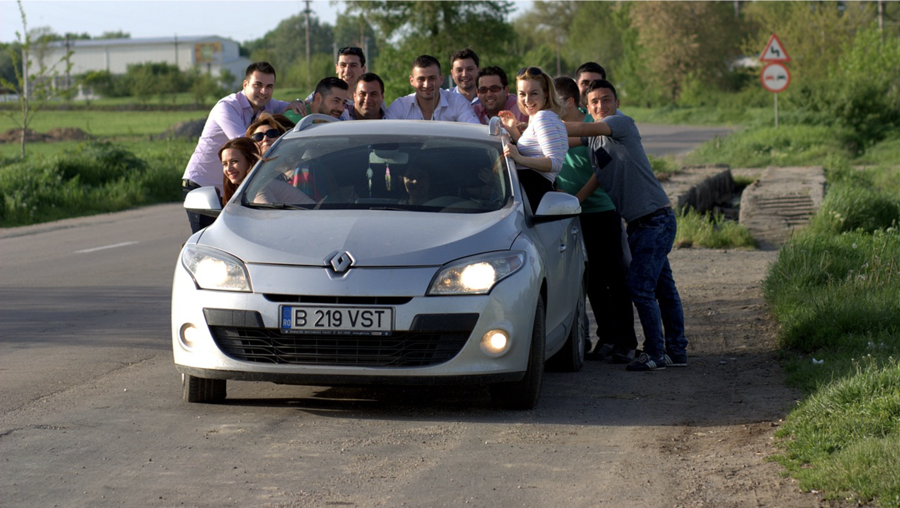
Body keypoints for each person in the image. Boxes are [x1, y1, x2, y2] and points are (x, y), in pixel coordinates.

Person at [564, 79, 688, 371]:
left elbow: (579, 128)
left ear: (617, 104)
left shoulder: (621, 125)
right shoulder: (595, 141)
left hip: (655, 220)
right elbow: (574, 150)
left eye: (606, 100)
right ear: (587, 105)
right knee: (664, 289)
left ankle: (655, 353)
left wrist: (541, 124)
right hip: (639, 224)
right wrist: (518, 136)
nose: (600, 106)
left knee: (640, 289)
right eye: (594, 102)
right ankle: (677, 351)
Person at [553, 76, 636, 364]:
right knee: (591, 281)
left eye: (554, 102)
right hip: (571, 214)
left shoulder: (595, 123)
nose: (550, 108)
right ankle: (607, 336)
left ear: (569, 102)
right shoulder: (558, 127)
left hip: (601, 211)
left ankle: (627, 341)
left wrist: (575, 199)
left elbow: (602, 169)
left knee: (615, 277)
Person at [182, 61, 302, 233]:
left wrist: (296, 102)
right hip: (203, 185)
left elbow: (287, 106)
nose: (264, 91)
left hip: (232, 186)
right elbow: (244, 144)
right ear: (245, 85)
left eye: (269, 87)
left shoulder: (266, 104)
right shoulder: (227, 107)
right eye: (258, 85)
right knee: (209, 241)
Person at [497, 66, 568, 213]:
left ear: (546, 93)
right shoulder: (539, 117)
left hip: (534, 194)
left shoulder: (543, 118)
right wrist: (513, 130)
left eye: (534, 93)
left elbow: (554, 163)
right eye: (522, 94)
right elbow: (536, 151)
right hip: (531, 193)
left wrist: (518, 158)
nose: (527, 100)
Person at [385, 55, 480, 123]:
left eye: (432, 78)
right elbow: (386, 137)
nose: (427, 85)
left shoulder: (458, 103)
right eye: (421, 79)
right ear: (411, 81)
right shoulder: (399, 106)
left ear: (441, 79)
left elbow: (475, 133)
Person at [219, 137, 261, 206]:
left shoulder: (259, 191)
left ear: (250, 161)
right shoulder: (241, 191)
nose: (229, 169)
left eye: (234, 161)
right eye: (225, 164)